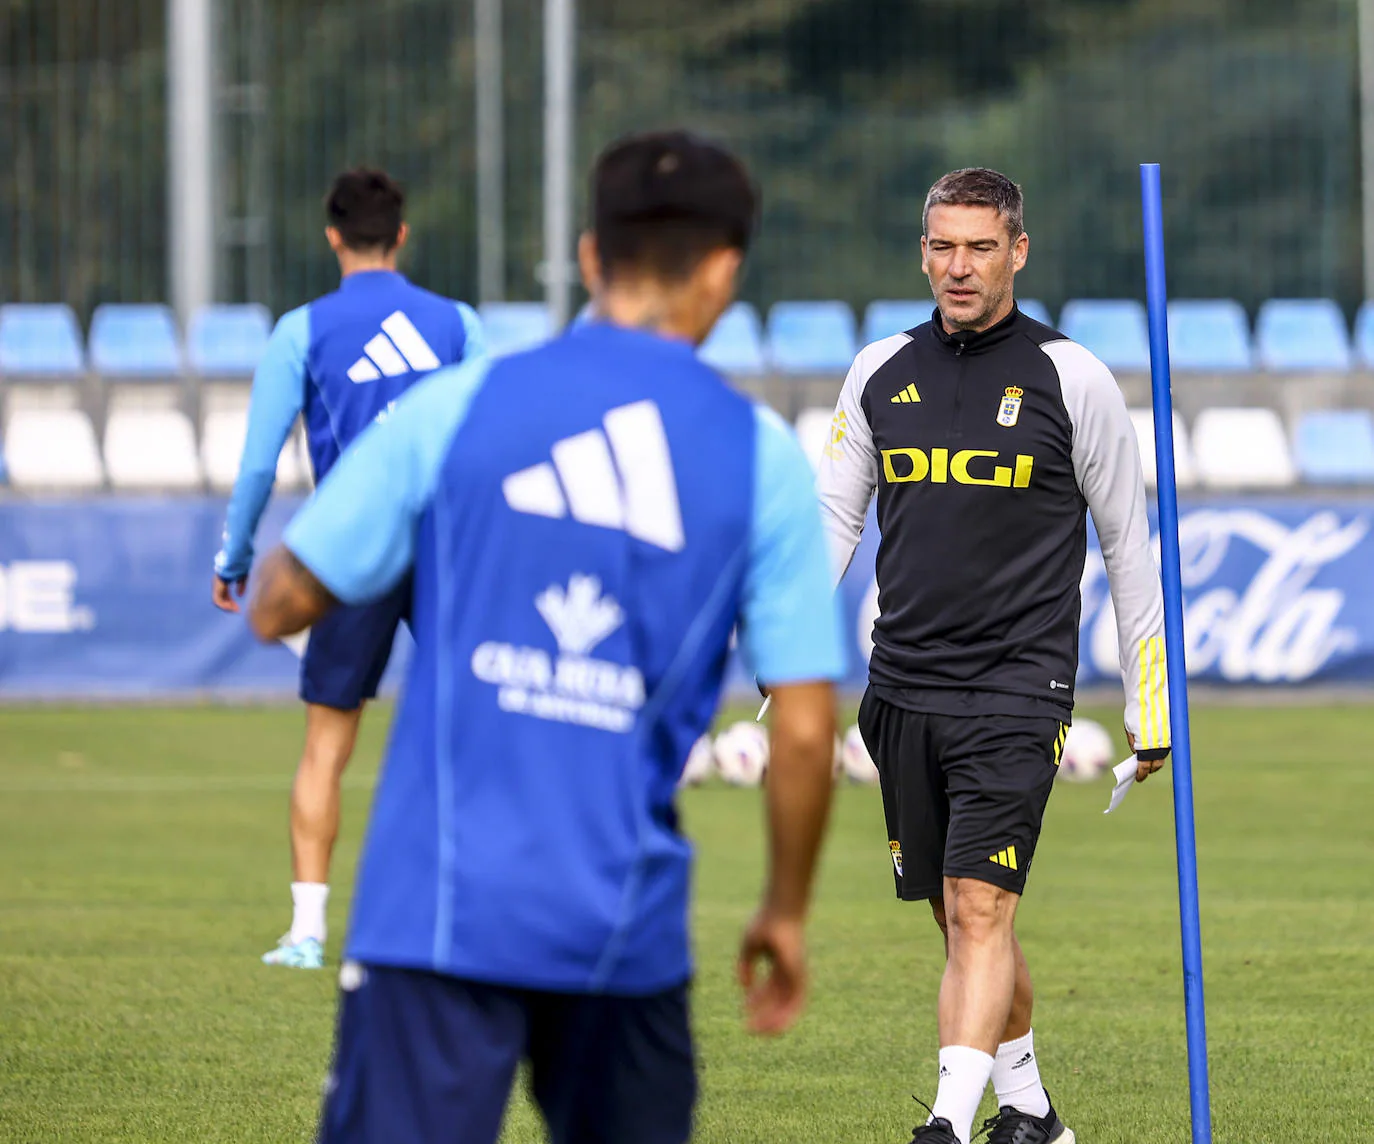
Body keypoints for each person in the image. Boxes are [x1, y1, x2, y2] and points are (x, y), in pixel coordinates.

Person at [245, 129, 845, 1144]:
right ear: (724, 270)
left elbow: (278, 603)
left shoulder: (455, 408)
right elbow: (800, 735)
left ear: (587, 256)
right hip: (623, 929)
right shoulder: (763, 460)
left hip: (435, 914)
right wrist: (782, 910)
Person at [817, 168, 1171, 1144]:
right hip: (901, 690)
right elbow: (833, 521)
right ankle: (1033, 1117)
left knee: (981, 906)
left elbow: (1129, 547)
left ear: (1019, 250)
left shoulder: (1074, 377)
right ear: (922, 251)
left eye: (980, 246)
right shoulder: (878, 369)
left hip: (1019, 689)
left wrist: (1153, 706)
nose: (959, 265)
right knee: (962, 919)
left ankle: (945, 1126)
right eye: (943, 246)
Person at [212, 168, 486, 969]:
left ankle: (306, 932)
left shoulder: (302, 330)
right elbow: (499, 428)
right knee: (465, 735)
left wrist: (235, 557)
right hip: (444, 547)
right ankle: (465, 919)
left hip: (347, 550)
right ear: (401, 235)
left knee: (327, 743)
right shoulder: (458, 322)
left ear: (332, 235)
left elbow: (260, 464)